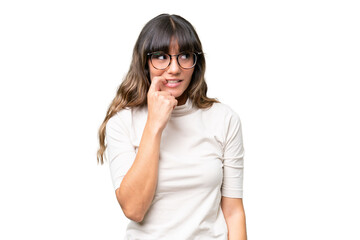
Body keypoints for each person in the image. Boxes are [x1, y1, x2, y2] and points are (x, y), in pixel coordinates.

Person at [97, 13, 247, 240]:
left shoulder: (224, 119)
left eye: (184, 56)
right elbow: (134, 209)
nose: (174, 68)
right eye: (161, 56)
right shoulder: (122, 122)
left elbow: (233, 212)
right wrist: (154, 124)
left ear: (196, 63)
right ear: (144, 62)